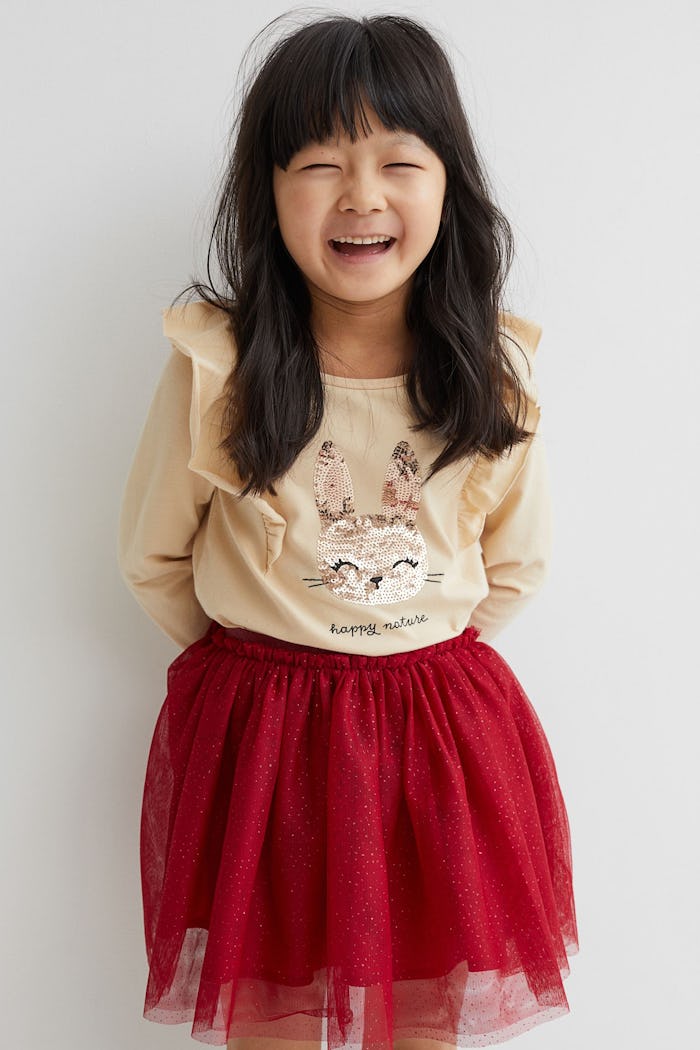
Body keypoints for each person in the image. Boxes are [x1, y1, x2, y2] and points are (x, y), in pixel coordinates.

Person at [117, 11, 579, 1050]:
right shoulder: (219, 367)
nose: (361, 195)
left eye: (397, 162)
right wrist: (262, 661)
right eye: (319, 163)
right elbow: (152, 554)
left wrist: (395, 655)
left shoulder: (489, 373)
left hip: (433, 743)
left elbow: (515, 564)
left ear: (447, 182)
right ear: (268, 195)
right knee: (271, 1018)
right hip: (268, 735)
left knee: (421, 1018)